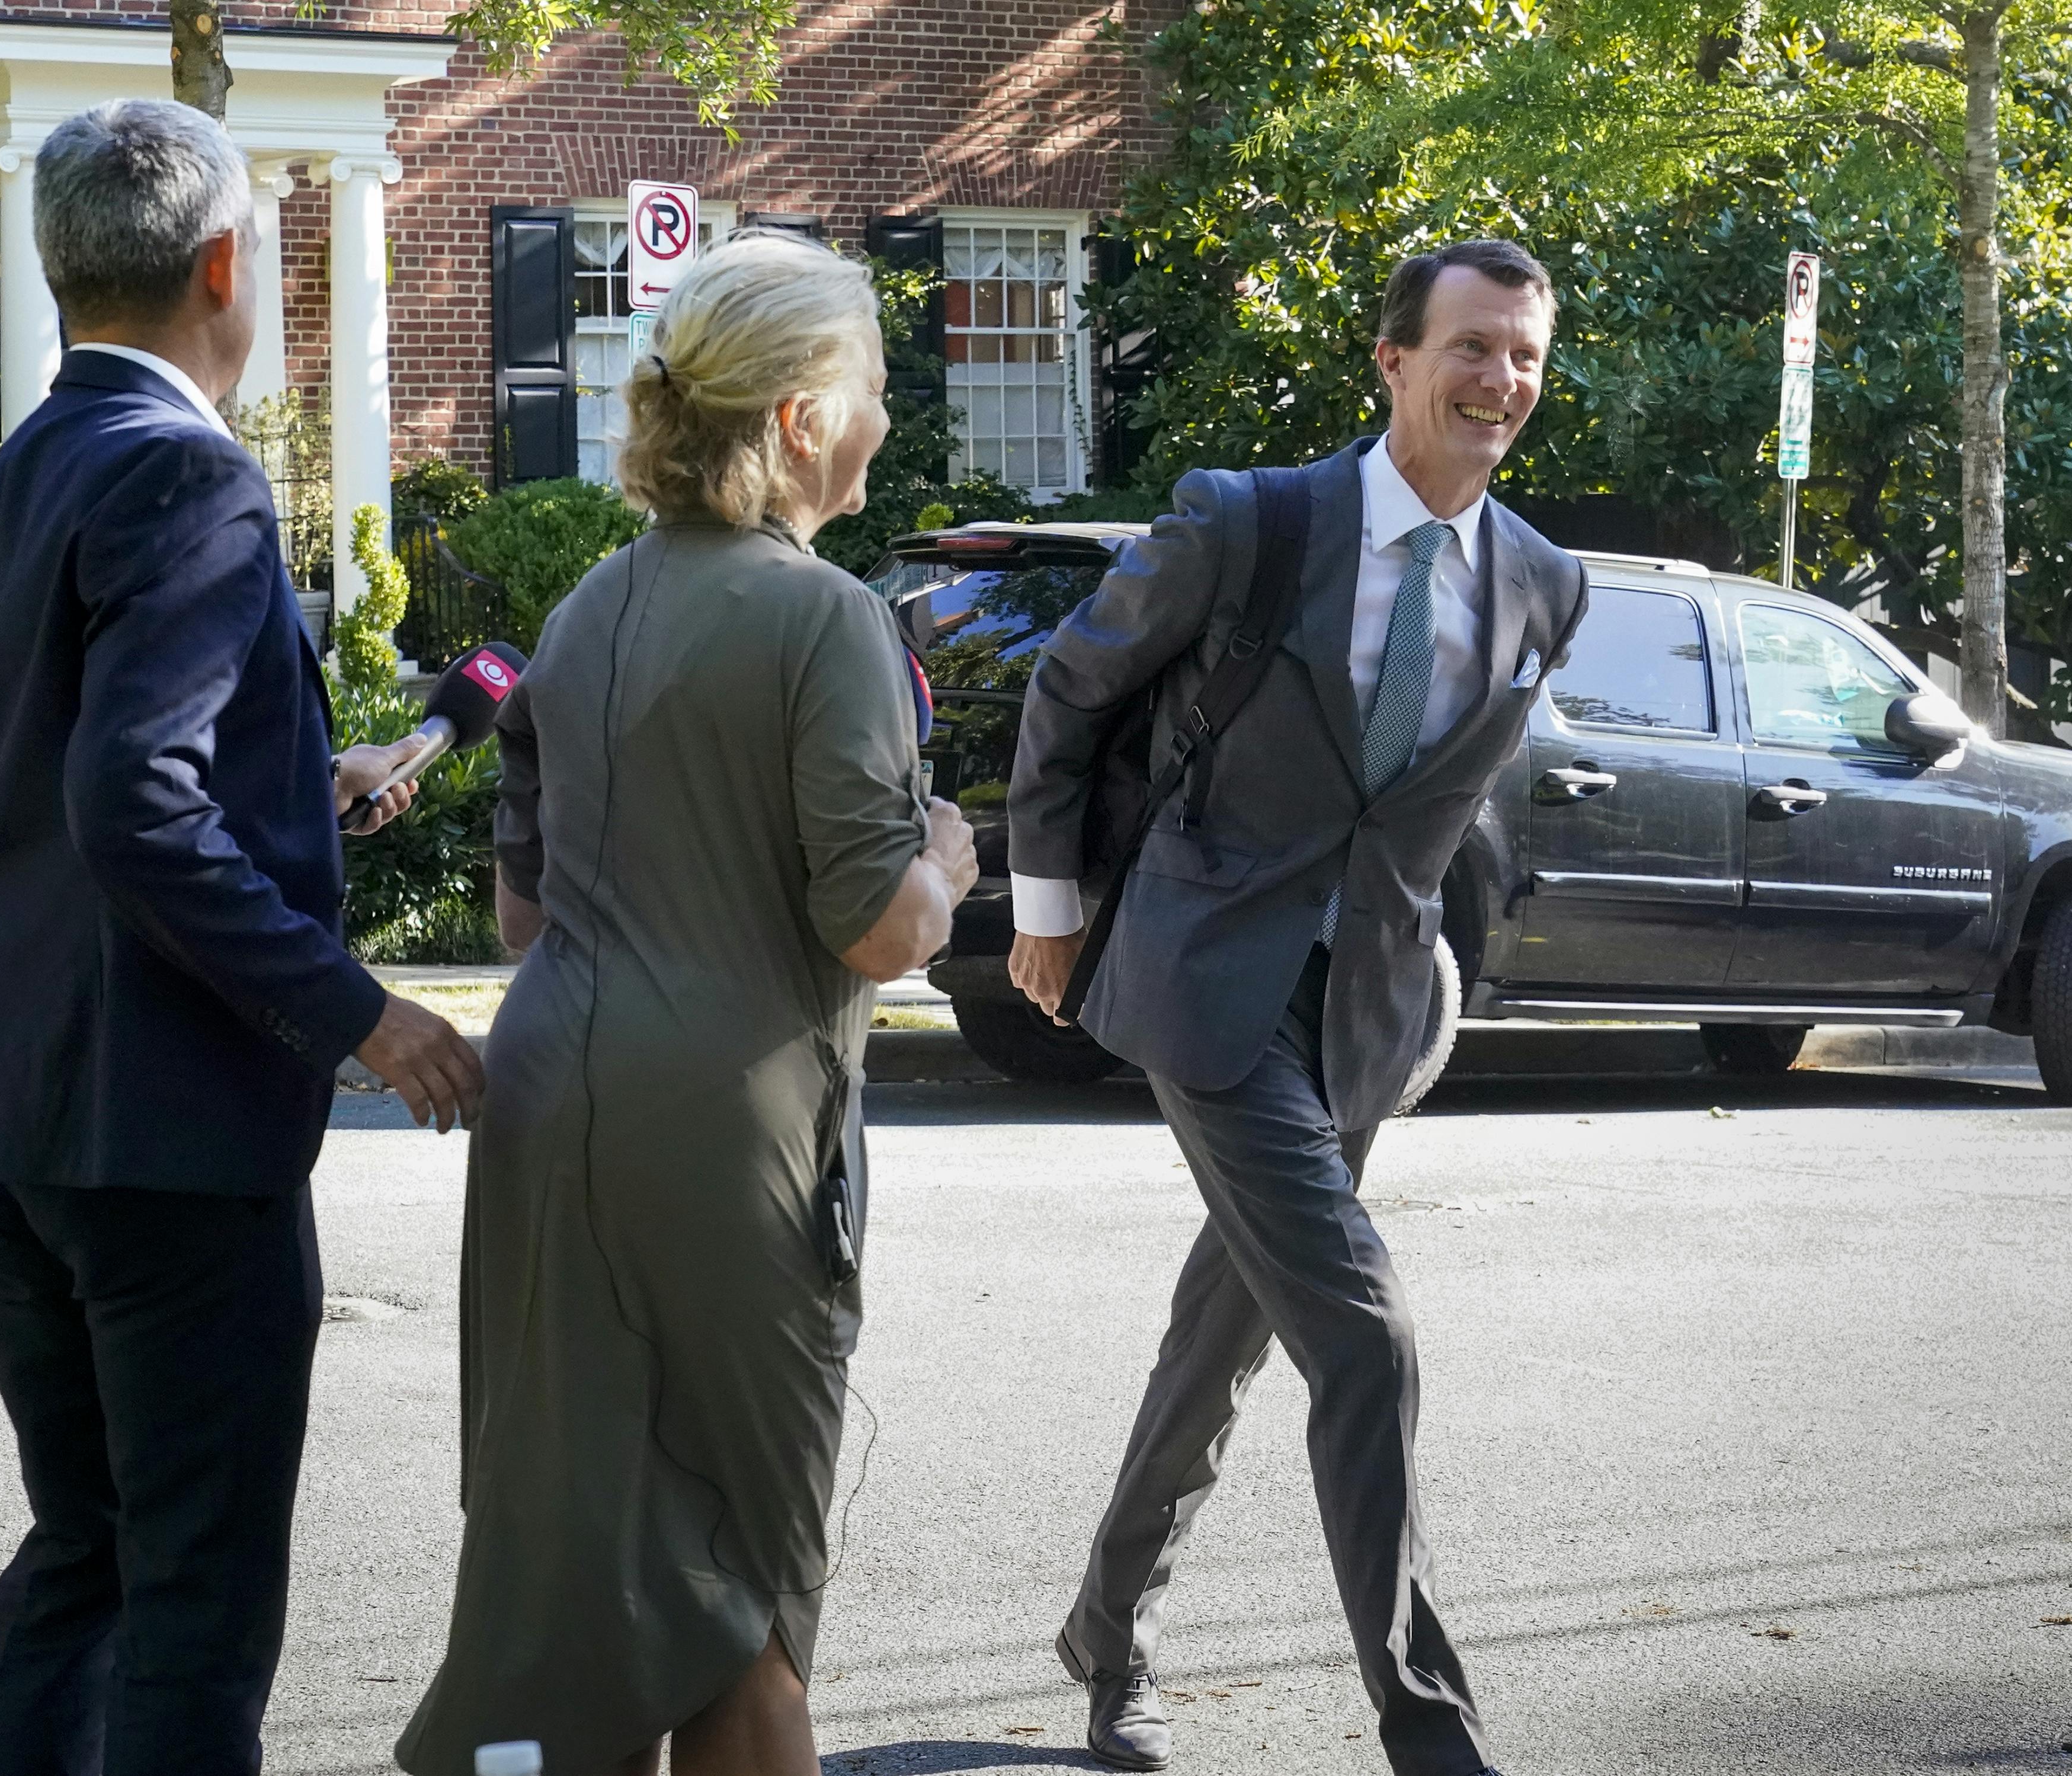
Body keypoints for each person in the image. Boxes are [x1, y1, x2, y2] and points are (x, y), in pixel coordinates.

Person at [0, 98, 483, 1775]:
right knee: (194, 1600)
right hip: (158, 1131)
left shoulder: (10, 479)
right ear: (227, 262)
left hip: (6, 1103)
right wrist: (364, 1015)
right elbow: (135, 809)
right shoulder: (186, 473)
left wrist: (312, 773)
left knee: (81, 1557)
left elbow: (82, 760)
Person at [395, 231, 977, 1776]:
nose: (882, 423)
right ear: (796, 416)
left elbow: (524, 914)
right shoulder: (827, 618)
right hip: (730, 1136)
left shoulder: (581, 610)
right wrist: (951, 858)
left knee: (595, 1568)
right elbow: (872, 926)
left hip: (548, 1114)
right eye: (866, 388)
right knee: (744, 1598)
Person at [1006, 238, 1590, 1776]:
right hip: (1208, 985)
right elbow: (1071, 693)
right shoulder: (1246, 523)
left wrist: (1430, 975)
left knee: (1223, 1343)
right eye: (1470, 348)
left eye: (1524, 355)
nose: (1501, 382)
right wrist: (1051, 913)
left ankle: (1104, 1629)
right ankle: (1427, 1729)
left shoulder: (1544, 583)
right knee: (1364, 1337)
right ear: (1390, 361)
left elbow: (1430, 808)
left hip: (1362, 1022)